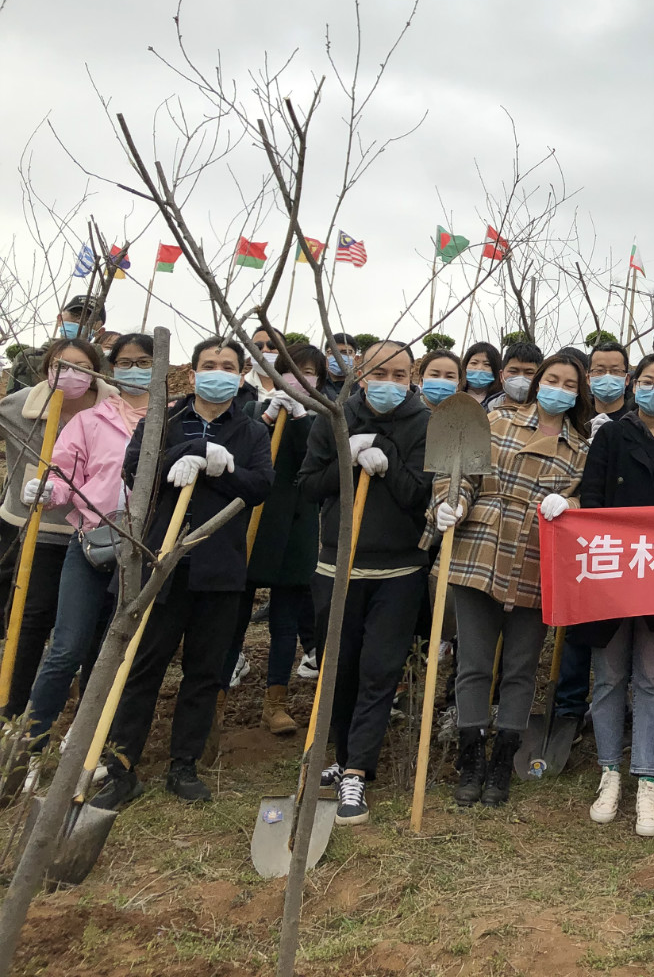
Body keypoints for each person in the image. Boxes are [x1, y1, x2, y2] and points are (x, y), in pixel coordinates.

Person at [92, 337, 274, 809]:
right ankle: (121, 765)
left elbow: (259, 487)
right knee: (142, 666)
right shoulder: (164, 419)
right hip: (159, 563)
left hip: (218, 568)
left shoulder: (251, 431)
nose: (219, 372)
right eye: (209, 365)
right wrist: (186, 450)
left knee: (204, 670)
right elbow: (136, 471)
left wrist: (222, 466)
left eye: (228, 366)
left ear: (241, 376)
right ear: (191, 375)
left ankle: (184, 765)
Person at [430, 353, 591, 808]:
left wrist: (572, 507)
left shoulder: (581, 448)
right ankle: (471, 759)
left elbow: (588, 503)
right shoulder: (496, 422)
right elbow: (459, 475)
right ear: (538, 382)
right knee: (474, 663)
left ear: (578, 394)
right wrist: (452, 502)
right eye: (552, 379)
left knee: (521, 666)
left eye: (569, 383)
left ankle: (504, 759)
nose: (558, 388)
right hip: (480, 543)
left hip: (538, 554)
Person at [299, 340, 432, 827]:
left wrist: (388, 461)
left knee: (379, 670)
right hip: (337, 567)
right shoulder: (334, 416)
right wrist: (346, 458)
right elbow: (309, 485)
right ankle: (337, 754)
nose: (391, 382)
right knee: (340, 668)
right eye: (381, 371)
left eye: (400, 373)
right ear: (361, 370)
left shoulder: (424, 424)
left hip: (398, 571)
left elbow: (422, 496)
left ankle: (358, 768)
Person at [568, 353, 654, 836]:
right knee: (608, 676)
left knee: (653, 677)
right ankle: (609, 772)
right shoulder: (611, 435)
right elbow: (594, 496)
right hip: (612, 570)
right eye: (647, 381)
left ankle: (647, 780)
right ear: (632, 384)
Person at [23, 335, 150, 751]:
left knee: (110, 650)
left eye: (144, 361)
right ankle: (30, 740)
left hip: (145, 550)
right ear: (110, 370)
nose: (134, 369)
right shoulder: (91, 421)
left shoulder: (171, 418)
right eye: (125, 362)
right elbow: (63, 475)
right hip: (92, 543)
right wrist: (48, 491)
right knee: (67, 646)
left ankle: (86, 739)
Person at [0, 336, 117, 722]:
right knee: (32, 617)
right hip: (38, 529)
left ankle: (84, 717)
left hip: (94, 534)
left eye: (80, 367)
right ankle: (13, 709)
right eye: (58, 366)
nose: (68, 375)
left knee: (92, 628)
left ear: (96, 371)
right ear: (45, 368)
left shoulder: (114, 411)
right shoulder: (19, 408)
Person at [224, 344, 325, 736]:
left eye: (310, 371)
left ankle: (275, 702)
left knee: (285, 622)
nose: (301, 377)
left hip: (296, 530)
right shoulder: (251, 411)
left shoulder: (321, 417)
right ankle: (215, 697)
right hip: (253, 526)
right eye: (293, 370)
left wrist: (301, 419)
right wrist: (267, 417)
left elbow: (312, 463)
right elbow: (246, 456)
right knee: (233, 617)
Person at [7, 295, 109, 393]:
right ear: (59, 319)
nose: (80, 321)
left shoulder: (105, 364)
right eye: (76, 315)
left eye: (89, 319)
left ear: (100, 332)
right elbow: (14, 402)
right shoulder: (29, 357)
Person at [462, 342, 504, 407]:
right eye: (474, 363)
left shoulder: (502, 399)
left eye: (487, 364)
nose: (479, 368)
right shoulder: (454, 394)